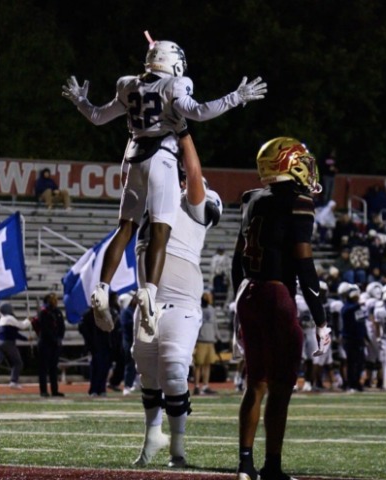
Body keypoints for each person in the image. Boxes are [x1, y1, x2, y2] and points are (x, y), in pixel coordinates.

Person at [61, 33, 266, 340]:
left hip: (132, 158)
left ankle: (102, 288)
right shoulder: (175, 85)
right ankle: (149, 293)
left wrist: (80, 101)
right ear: (173, 63)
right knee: (161, 228)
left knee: (125, 228)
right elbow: (199, 112)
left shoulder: (127, 84)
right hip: (162, 159)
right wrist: (235, 97)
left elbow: (98, 117)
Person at [231, 137, 331, 480]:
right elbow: (304, 263)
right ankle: (272, 465)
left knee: (255, 383)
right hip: (277, 296)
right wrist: (320, 319)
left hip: (248, 293)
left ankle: (245, 465)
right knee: (281, 386)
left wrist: (238, 306)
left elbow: (237, 259)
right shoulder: (299, 202)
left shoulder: (251, 199)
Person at [131, 133, 223, 468]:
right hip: (147, 302)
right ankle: (152, 437)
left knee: (173, 371)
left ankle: (178, 449)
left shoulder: (198, 201)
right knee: (147, 375)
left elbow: (195, 178)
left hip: (181, 301)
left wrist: (184, 136)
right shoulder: (155, 202)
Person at [36, 293, 67, 398]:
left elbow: (62, 326)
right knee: (43, 368)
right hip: (45, 343)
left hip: (55, 344)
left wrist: (59, 338)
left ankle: (55, 390)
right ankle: (43, 391)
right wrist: (54, 339)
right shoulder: (43, 312)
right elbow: (45, 329)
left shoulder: (57, 312)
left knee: (53, 368)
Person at [340, 284, 369, 392]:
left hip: (359, 338)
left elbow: (362, 323)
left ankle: (356, 382)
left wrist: (366, 337)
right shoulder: (347, 307)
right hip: (350, 338)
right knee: (351, 362)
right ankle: (351, 384)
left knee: (360, 362)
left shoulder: (358, 308)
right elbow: (345, 312)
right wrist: (358, 305)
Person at [0, 303, 31, 388]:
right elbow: (22, 326)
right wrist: (28, 320)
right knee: (18, 363)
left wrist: (25, 339)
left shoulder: (2, 318)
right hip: (8, 343)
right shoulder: (10, 318)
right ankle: (13, 382)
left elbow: (13, 332)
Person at [193, 291, 219, 396]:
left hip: (210, 340)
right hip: (200, 340)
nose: (210, 298)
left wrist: (217, 337)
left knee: (207, 365)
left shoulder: (212, 309)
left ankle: (205, 386)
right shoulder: (198, 309)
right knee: (198, 365)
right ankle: (196, 386)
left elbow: (215, 324)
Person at [119, 292, 138, 395]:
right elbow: (128, 325)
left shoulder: (135, 311)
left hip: (136, 340)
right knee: (130, 364)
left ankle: (135, 383)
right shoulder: (126, 312)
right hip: (129, 341)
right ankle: (127, 385)